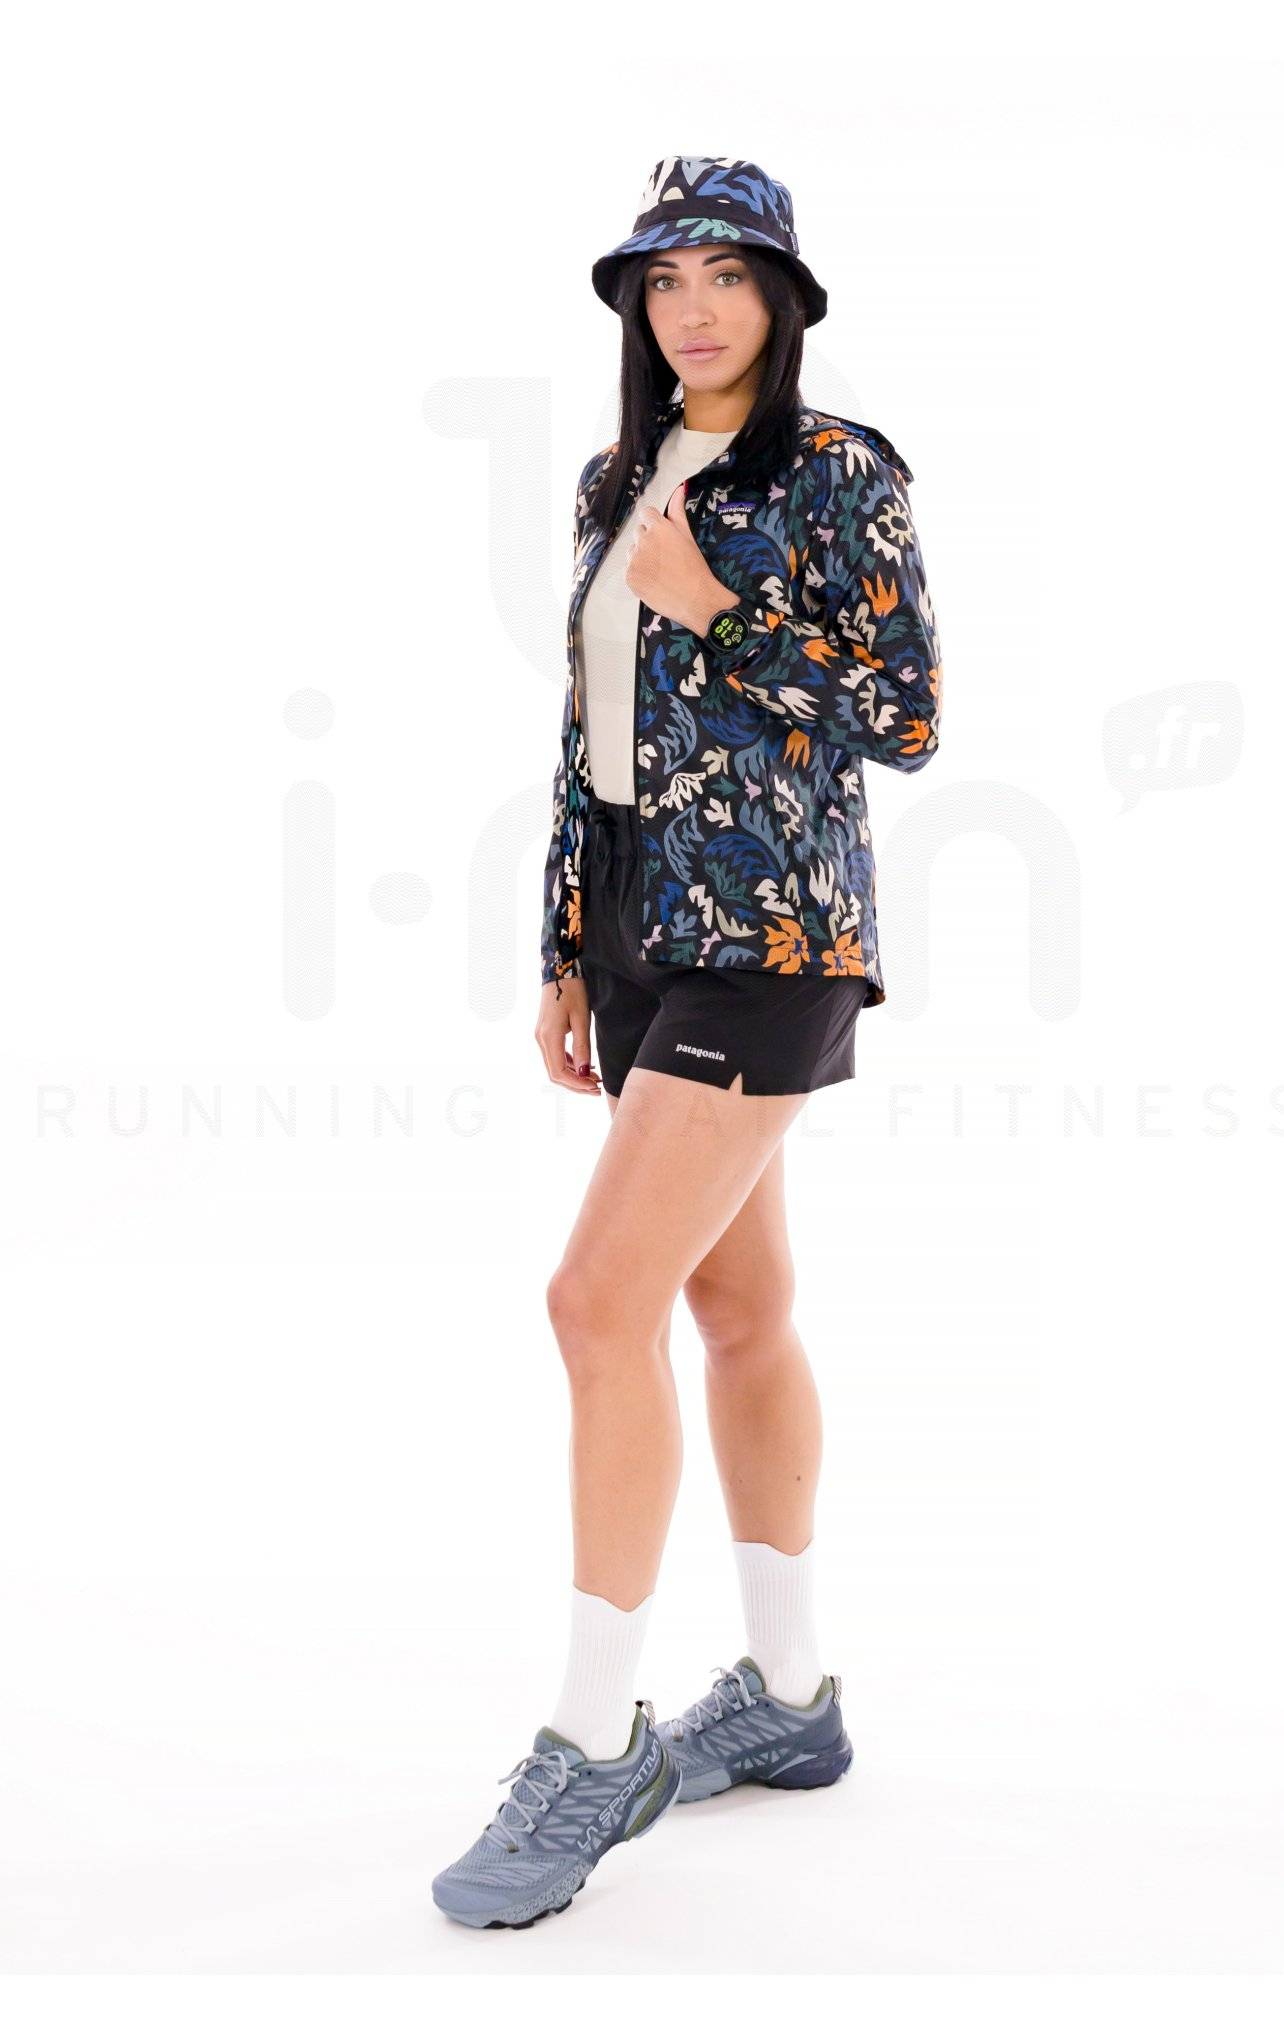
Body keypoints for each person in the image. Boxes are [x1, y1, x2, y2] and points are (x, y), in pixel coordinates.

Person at [433, 154, 943, 1930]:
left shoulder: (840, 472)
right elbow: (588, 726)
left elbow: (907, 713)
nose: (695, 308)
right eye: (664, 281)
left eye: (727, 276)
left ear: (782, 299)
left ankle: (597, 1740)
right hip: (643, 936)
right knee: (735, 1306)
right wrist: (565, 943)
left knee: (595, 1305)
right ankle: (791, 1698)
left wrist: (722, 606)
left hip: (771, 940)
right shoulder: (616, 476)